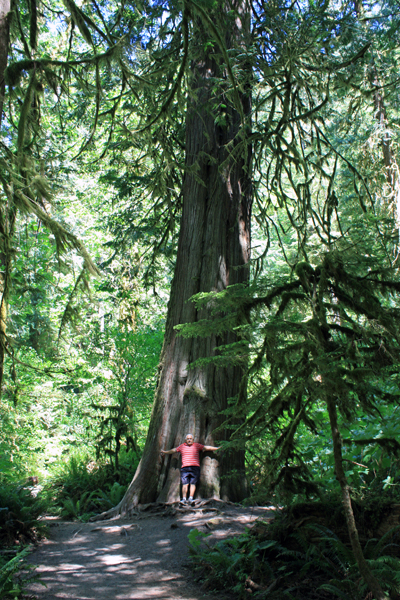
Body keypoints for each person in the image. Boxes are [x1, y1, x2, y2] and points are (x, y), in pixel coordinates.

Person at [160, 434, 220, 505]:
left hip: (195, 468)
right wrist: (165, 452)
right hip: (185, 468)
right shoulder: (182, 446)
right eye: (188, 439)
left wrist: (217, 448)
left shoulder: (197, 445)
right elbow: (174, 450)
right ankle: (184, 499)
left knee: (193, 483)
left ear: (193, 439)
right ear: (186, 440)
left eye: (190, 439)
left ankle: (191, 498)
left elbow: (207, 448)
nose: (189, 440)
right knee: (185, 484)